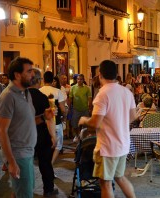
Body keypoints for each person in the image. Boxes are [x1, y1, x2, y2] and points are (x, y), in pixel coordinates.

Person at [78, 60, 137, 198]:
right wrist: (118, 121)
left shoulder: (102, 94)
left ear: (100, 75)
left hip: (108, 147)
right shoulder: (126, 92)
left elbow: (95, 123)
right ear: (116, 74)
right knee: (120, 177)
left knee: (105, 183)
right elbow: (133, 116)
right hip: (123, 144)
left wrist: (84, 120)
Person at [0, 57, 53, 198]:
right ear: (17, 75)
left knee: (20, 191)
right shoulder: (8, 97)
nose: (33, 75)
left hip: (28, 152)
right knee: (25, 193)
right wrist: (11, 162)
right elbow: (2, 131)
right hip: (18, 154)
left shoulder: (25, 93)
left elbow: (26, 121)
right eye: (29, 71)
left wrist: (43, 117)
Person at [28, 68, 58, 197]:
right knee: (45, 162)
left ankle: (25, 190)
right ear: (39, 81)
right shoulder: (42, 98)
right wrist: (53, 136)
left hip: (26, 135)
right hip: (41, 134)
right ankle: (48, 189)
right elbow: (49, 119)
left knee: (26, 164)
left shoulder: (22, 96)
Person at [39, 71, 67, 169]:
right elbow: (63, 109)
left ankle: (45, 164)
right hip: (55, 122)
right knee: (58, 145)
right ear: (53, 80)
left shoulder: (39, 91)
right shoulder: (57, 91)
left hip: (42, 122)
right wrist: (65, 116)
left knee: (45, 145)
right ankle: (50, 164)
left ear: (43, 79)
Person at [69, 74, 92, 142]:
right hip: (76, 109)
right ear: (76, 79)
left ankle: (83, 137)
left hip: (85, 109)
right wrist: (69, 108)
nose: (79, 80)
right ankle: (77, 135)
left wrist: (90, 108)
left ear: (83, 80)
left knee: (85, 125)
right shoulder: (73, 87)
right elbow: (70, 98)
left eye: (81, 79)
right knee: (74, 124)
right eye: (78, 79)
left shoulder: (87, 88)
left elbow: (89, 99)